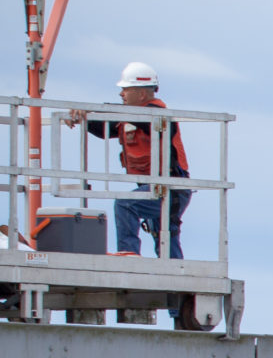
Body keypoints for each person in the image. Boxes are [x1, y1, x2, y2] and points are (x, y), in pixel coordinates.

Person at [66, 63, 190, 259]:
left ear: (141, 94)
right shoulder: (130, 118)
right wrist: (85, 118)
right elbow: (105, 130)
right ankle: (177, 277)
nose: (121, 94)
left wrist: (91, 111)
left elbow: (148, 122)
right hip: (157, 188)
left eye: (125, 89)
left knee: (126, 204)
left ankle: (129, 254)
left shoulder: (159, 117)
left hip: (171, 188)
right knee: (165, 234)